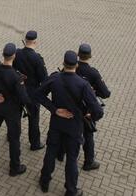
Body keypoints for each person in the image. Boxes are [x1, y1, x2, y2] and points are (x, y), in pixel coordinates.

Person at [35, 51, 104, 196]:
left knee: (51, 152)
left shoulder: (55, 78)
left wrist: (55, 110)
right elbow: (98, 111)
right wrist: (89, 115)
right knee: (72, 159)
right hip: (74, 127)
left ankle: (45, 181)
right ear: (76, 64)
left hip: (57, 124)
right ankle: (71, 190)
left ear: (63, 63)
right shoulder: (83, 84)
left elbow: (38, 94)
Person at [0, 43, 32, 176]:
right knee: (14, 139)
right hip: (12, 111)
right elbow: (24, 99)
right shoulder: (16, 76)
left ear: (3, 55)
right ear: (13, 56)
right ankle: (15, 167)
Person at [76, 43, 110, 171]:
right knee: (88, 136)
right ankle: (88, 161)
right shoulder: (93, 73)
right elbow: (106, 93)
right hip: (87, 111)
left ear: (78, 54)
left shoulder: (72, 67)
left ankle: (60, 154)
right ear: (90, 56)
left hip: (71, 108)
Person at [12, 30, 48, 150]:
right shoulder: (37, 58)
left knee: (15, 115)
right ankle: (34, 143)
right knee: (33, 119)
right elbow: (44, 78)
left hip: (18, 90)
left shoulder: (17, 53)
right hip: (32, 92)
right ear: (35, 42)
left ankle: (11, 135)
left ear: (25, 40)